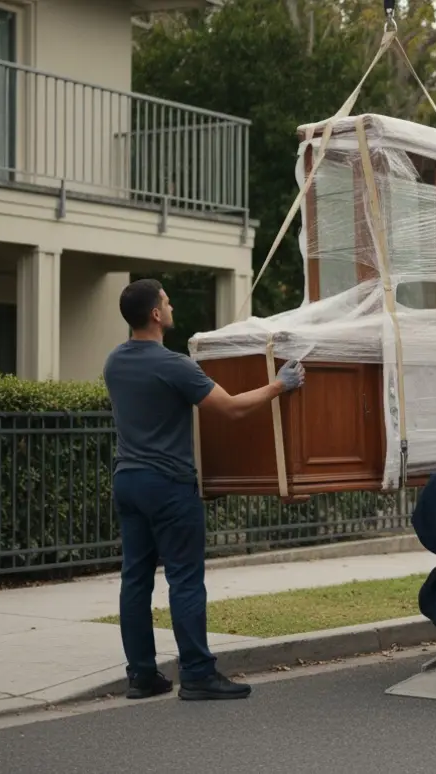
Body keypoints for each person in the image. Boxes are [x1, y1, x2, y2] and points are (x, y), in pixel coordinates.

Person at [103, 278, 305, 701]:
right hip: (168, 484)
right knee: (185, 579)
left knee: (135, 580)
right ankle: (196, 673)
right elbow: (230, 409)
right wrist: (279, 385)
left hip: (128, 480)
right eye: (167, 300)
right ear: (156, 314)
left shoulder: (115, 362)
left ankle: (142, 676)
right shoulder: (173, 364)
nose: (171, 305)